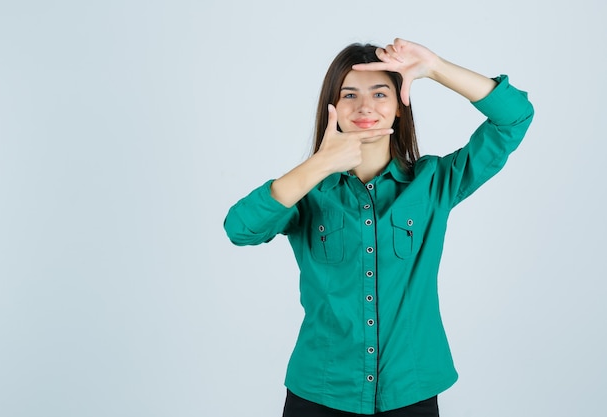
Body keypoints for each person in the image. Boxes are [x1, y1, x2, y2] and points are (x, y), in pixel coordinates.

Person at [223, 38, 534, 417]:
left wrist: (434, 67)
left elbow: (515, 117)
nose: (365, 106)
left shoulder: (435, 182)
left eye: (380, 92)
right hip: (321, 393)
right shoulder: (306, 192)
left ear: (400, 106)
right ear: (332, 109)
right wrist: (319, 165)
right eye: (349, 94)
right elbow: (240, 228)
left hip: (410, 390)